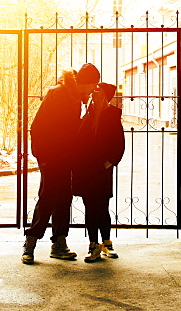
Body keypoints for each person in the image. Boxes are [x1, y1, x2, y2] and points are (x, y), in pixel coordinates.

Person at [21, 62, 101, 264]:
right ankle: (31, 242)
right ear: (85, 82)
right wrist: (44, 157)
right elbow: (38, 126)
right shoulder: (58, 94)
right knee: (48, 196)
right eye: (93, 85)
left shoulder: (75, 98)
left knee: (64, 198)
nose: (94, 89)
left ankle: (59, 243)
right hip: (51, 157)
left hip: (64, 157)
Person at [74, 82, 126, 263]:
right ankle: (93, 245)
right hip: (86, 169)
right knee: (90, 208)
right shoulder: (88, 114)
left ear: (104, 95)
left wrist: (107, 163)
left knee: (102, 207)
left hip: (102, 170)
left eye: (97, 91)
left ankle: (107, 243)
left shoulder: (112, 115)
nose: (93, 93)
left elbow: (119, 144)